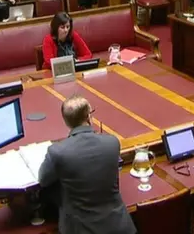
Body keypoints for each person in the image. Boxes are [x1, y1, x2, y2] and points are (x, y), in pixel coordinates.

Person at [38, 95, 136, 234]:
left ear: (66, 121)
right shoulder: (112, 143)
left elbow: (43, 180)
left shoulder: (57, 152)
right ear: (89, 116)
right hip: (118, 227)